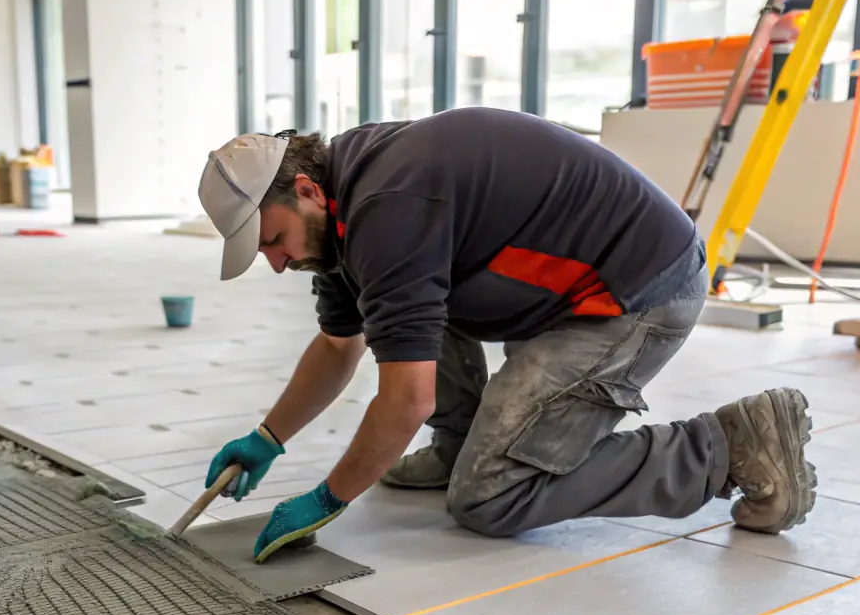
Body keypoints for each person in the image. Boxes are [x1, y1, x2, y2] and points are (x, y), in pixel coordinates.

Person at [195, 109, 816, 563]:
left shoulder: (388, 206)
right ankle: (462, 440)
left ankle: (725, 448)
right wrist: (267, 438)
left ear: (304, 190)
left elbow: (406, 397)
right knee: (397, 310)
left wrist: (329, 499)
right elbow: (339, 343)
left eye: (272, 240)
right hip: (564, 287)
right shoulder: (341, 205)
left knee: (491, 496)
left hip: (635, 292)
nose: (277, 262)